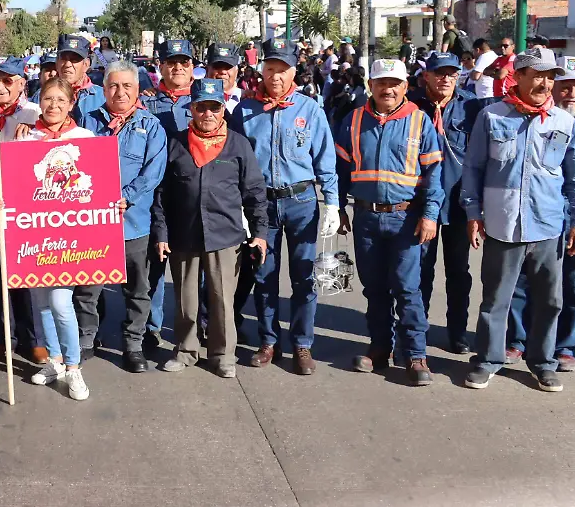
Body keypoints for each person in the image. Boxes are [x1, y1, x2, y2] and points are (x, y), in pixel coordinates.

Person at [461, 48, 575, 392]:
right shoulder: (492, 117)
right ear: (517, 77)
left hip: (548, 227)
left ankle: (543, 362)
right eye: (537, 75)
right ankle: (488, 360)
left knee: (550, 301)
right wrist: (473, 214)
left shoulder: (564, 122)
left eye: (550, 76)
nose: (545, 83)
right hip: (503, 226)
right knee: (495, 301)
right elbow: (472, 169)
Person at [231, 38, 341, 375]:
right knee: (264, 276)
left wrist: (333, 203)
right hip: (262, 205)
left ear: (294, 71)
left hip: (302, 202)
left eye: (282, 70)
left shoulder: (310, 109)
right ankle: (269, 341)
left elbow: (325, 159)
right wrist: (241, 208)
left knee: (304, 277)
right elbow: (234, 162)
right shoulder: (245, 111)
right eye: (269, 69)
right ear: (260, 70)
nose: (275, 76)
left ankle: (303, 345)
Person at [506, 54, 575, 371]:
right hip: (540, 212)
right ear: (554, 88)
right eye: (565, 86)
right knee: (525, 283)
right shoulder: (537, 120)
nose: (572, 94)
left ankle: (566, 347)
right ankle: (517, 341)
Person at [335, 59, 443, 385]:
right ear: (371, 85)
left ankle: (415, 356)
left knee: (408, 289)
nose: (388, 88)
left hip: (405, 218)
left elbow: (434, 175)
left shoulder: (419, 121)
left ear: (405, 86)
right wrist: (337, 208)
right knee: (375, 288)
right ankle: (380, 348)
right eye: (381, 82)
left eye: (394, 82)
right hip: (366, 217)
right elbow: (340, 171)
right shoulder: (353, 120)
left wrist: (430, 215)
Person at [154, 78, 268, 377]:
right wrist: (162, 234)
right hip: (184, 236)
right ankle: (185, 350)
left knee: (221, 300)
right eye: (201, 107)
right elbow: (161, 194)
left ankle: (222, 356)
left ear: (222, 109)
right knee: (186, 301)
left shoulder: (238, 144)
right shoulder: (175, 143)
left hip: (225, 236)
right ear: (192, 108)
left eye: (214, 108)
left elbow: (255, 192)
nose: (208, 114)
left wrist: (259, 233)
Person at [0, 77, 93, 401]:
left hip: (67, 238)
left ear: (71, 104)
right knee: (41, 304)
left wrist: (112, 202)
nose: (53, 105)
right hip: (33, 236)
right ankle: (54, 360)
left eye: (60, 100)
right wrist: (1, 200)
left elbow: (97, 185)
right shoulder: (26, 137)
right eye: (48, 99)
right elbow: (14, 183)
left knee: (62, 303)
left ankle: (74, 367)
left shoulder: (84, 138)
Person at [75, 60, 166, 372]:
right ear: (104, 89)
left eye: (127, 86)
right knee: (88, 288)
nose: (120, 92)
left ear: (137, 89)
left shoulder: (151, 126)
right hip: (93, 224)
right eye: (114, 86)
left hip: (133, 224)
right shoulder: (86, 120)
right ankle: (87, 338)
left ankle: (133, 343)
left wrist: (126, 197)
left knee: (138, 291)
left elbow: (153, 172)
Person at [412, 52, 485, 354]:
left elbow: (481, 158)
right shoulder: (411, 107)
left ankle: (457, 332)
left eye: (452, 74)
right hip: (421, 203)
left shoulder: (472, 107)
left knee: (458, 272)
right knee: (419, 272)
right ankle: (417, 329)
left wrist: (476, 208)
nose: (445, 79)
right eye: (439, 73)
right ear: (426, 76)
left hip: (457, 203)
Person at [0, 57, 44, 362]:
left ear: (22, 83)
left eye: (8, 81)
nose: (1, 87)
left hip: (21, 207)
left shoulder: (34, 114)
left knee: (25, 276)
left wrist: (34, 128)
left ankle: (34, 339)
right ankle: (5, 336)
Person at [142, 38, 198, 344]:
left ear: (192, 67)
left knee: (193, 269)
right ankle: (151, 327)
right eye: (171, 62)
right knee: (154, 266)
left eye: (184, 62)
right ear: (160, 66)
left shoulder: (203, 102)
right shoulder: (146, 102)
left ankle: (195, 326)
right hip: (154, 194)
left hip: (190, 194)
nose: (177, 67)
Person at [32, 35, 105, 120]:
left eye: (74, 60)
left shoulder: (102, 97)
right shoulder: (41, 95)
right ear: (57, 63)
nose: (68, 65)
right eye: (63, 59)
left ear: (86, 64)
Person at [206, 43, 244, 113]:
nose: (223, 71)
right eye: (217, 66)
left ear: (236, 72)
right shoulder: (194, 100)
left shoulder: (248, 99)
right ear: (207, 69)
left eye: (228, 67)